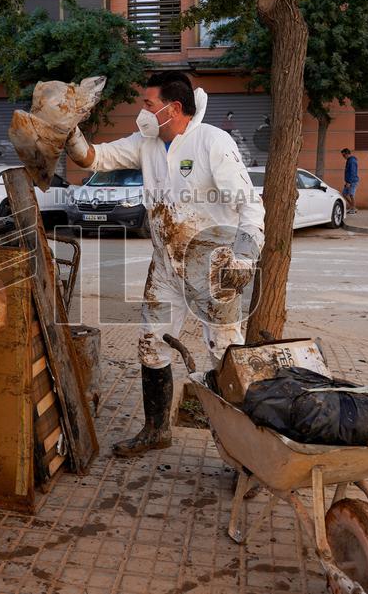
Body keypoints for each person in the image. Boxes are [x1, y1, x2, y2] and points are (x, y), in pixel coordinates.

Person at [65, 71, 265, 457]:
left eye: (148, 104)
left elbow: (250, 204)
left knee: (224, 357)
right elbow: (94, 157)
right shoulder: (148, 144)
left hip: (215, 271)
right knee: (151, 346)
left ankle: (245, 450)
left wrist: (243, 256)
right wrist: (69, 128)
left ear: (172, 108)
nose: (143, 109)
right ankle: (157, 430)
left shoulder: (212, 142)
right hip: (166, 270)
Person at [341, 148, 359, 214]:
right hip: (348, 181)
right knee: (344, 194)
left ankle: (353, 209)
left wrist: (349, 182)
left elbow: (353, 172)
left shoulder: (352, 161)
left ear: (347, 154)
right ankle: (353, 207)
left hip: (352, 181)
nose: (343, 157)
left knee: (351, 194)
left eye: (344, 155)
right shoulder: (349, 160)